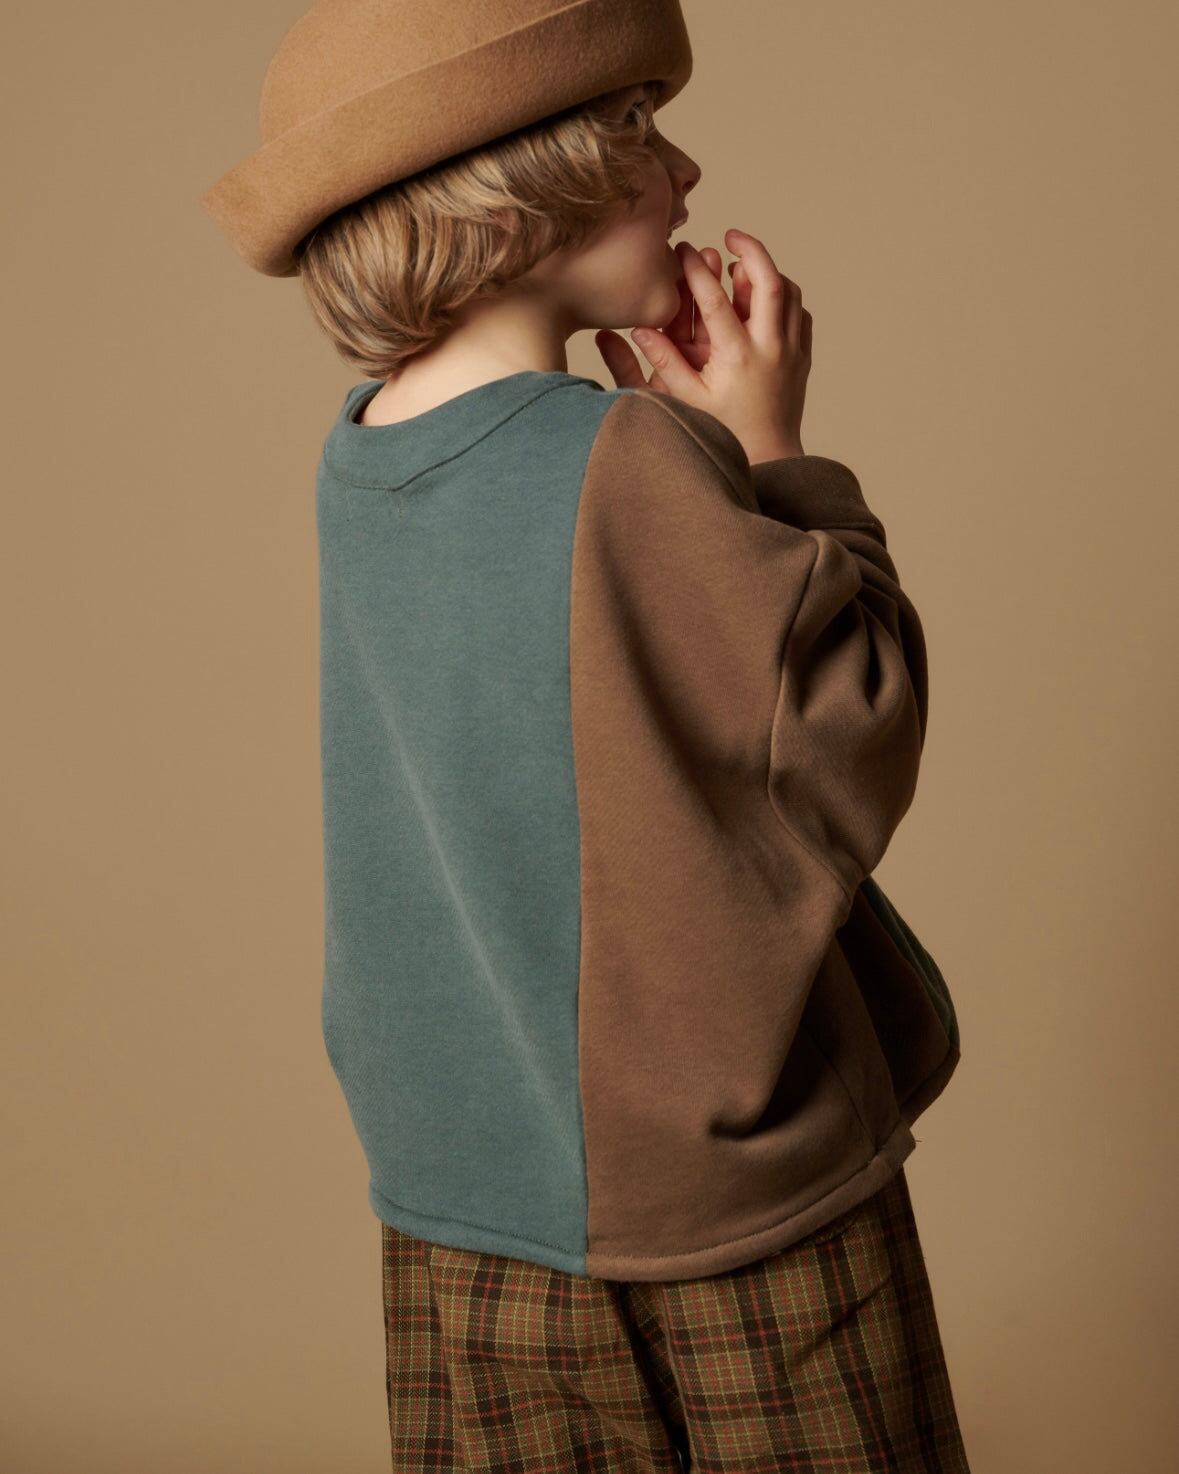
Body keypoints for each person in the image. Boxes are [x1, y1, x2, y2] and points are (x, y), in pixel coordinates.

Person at [199, 2, 970, 1468]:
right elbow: (852, 733)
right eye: (636, 133)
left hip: (459, 1195)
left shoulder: (361, 454)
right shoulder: (630, 455)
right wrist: (776, 455)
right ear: (519, 192)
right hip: (723, 1196)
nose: (685, 170)